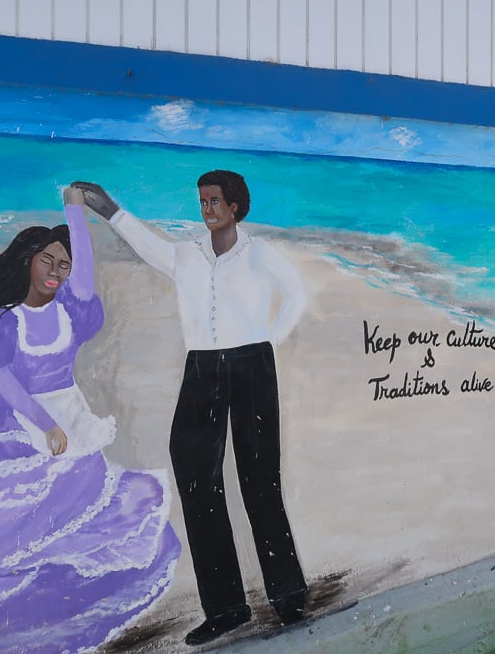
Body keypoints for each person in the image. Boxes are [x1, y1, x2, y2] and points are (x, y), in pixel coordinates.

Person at [0, 186, 181, 652]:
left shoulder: (72, 309)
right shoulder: (0, 322)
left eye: (62, 264)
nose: (56, 271)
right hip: (11, 424)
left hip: (69, 414)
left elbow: (84, 275)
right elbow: (3, 379)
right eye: (47, 260)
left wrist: (74, 210)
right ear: (27, 261)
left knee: (63, 515)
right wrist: (43, 424)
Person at [73, 172, 309, 646]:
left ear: (237, 207)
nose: (207, 209)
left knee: (259, 480)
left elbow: (297, 295)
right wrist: (107, 207)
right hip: (201, 369)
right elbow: (144, 242)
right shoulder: (187, 255)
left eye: (216, 201)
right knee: (196, 476)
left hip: (252, 367)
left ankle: (288, 594)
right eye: (202, 201)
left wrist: (266, 345)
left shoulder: (259, 253)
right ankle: (226, 608)